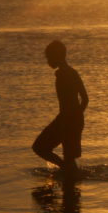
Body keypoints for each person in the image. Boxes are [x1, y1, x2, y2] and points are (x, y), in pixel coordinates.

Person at [33, 40, 88, 178]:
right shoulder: (70, 73)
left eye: (49, 57)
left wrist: (73, 118)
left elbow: (85, 99)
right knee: (40, 147)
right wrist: (74, 116)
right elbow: (85, 99)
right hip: (65, 119)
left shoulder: (67, 74)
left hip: (69, 120)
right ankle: (66, 170)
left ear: (57, 56)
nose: (47, 61)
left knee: (66, 156)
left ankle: (68, 173)